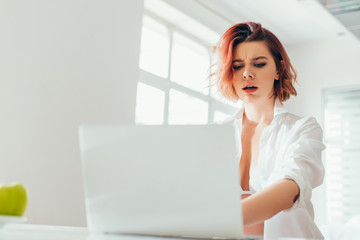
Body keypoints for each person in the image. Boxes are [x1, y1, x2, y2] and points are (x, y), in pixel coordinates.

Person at [213, 22, 325, 239]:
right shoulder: (216, 134)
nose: (247, 73)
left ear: (278, 70)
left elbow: (290, 186)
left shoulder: (302, 129)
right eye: (237, 66)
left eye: (259, 64)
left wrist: (220, 218)